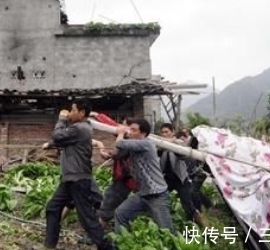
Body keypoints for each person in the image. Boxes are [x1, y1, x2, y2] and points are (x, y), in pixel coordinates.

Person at [43, 102, 113, 250]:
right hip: (70, 178)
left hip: (78, 179)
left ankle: (107, 247)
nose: (70, 112)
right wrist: (51, 143)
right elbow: (61, 140)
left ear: (82, 113)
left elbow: (57, 135)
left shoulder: (80, 128)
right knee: (53, 208)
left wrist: (61, 118)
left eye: (73, 110)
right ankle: (49, 246)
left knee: (87, 218)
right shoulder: (79, 128)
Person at [113, 118, 175, 234]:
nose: (130, 132)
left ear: (143, 134)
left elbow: (120, 143)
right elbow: (117, 153)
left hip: (157, 195)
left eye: (134, 130)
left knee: (167, 231)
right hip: (143, 194)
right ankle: (121, 242)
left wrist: (121, 133)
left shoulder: (146, 143)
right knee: (120, 213)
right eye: (129, 129)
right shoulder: (133, 146)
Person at [158, 123, 207, 227]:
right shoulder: (160, 145)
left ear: (172, 132)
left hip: (180, 178)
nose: (164, 134)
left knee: (187, 204)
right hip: (167, 179)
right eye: (162, 132)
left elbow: (184, 156)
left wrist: (172, 145)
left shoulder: (179, 144)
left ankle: (199, 224)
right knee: (159, 197)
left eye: (166, 132)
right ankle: (163, 221)